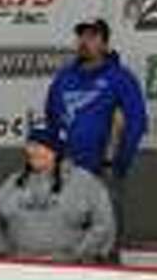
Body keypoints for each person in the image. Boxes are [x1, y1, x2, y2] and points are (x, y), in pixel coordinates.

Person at [43, 18, 146, 260]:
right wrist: (53, 161)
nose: (85, 42)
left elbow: (136, 122)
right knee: (65, 237)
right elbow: (51, 120)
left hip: (103, 171)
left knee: (105, 239)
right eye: (81, 36)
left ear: (105, 42)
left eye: (92, 36)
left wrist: (119, 163)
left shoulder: (120, 78)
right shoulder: (63, 79)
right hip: (67, 170)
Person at [0, 125, 116, 263]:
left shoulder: (85, 183)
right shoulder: (13, 183)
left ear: (56, 152)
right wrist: (4, 254)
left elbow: (104, 224)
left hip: (71, 273)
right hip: (19, 269)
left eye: (40, 146)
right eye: (30, 145)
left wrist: (77, 256)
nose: (33, 151)